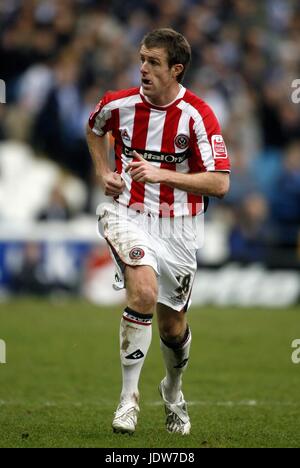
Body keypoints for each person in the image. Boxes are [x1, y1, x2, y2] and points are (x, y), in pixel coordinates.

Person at [86, 28, 230, 435]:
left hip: (180, 227)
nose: (143, 68)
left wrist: (161, 172)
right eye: (141, 59)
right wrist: (103, 172)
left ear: (176, 70)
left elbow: (220, 183)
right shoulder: (119, 104)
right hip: (127, 214)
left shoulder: (197, 115)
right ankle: (128, 401)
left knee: (172, 327)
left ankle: (173, 390)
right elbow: (94, 128)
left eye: (153, 62)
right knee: (143, 292)